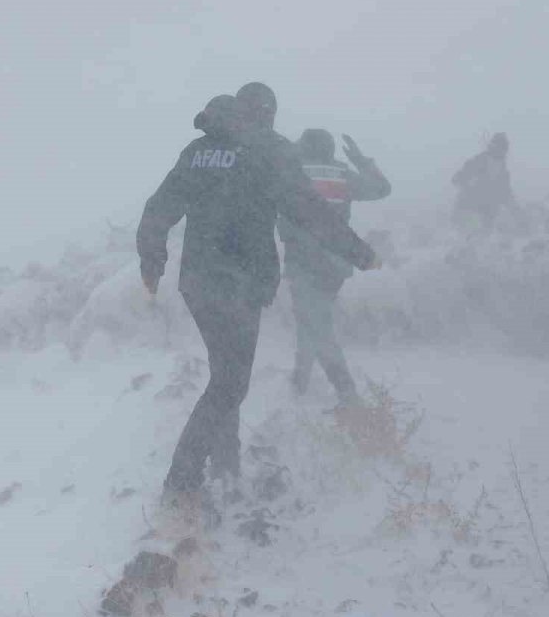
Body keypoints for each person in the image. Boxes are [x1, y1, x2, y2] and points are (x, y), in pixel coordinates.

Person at [136, 83, 381, 505]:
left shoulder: (200, 151)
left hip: (198, 282)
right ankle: (181, 486)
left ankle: (226, 467)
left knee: (223, 375)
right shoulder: (271, 150)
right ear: (266, 113)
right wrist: (358, 252)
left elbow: (159, 208)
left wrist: (151, 262)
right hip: (242, 284)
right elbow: (310, 211)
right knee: (231, 382)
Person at [278, 129, 391, 404]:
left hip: (302, 262)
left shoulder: (293, 172)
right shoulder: (341, 174)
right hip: (336, 263)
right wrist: (361, 161)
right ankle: (300, 378)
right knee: (312, 318)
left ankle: (347, 394)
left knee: (316, 325)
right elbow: (382, 189)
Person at [451, 132, 514, 232]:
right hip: (470, 210)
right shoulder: (479, 161)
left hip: (488, 213)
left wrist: (515, 210)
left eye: (504, 149)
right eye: (501, 147)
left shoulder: (503, 171)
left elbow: (506, 193)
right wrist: (468, 186)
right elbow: (457, 178)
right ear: (494, 146)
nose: (503, 152)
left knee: (486, 236)